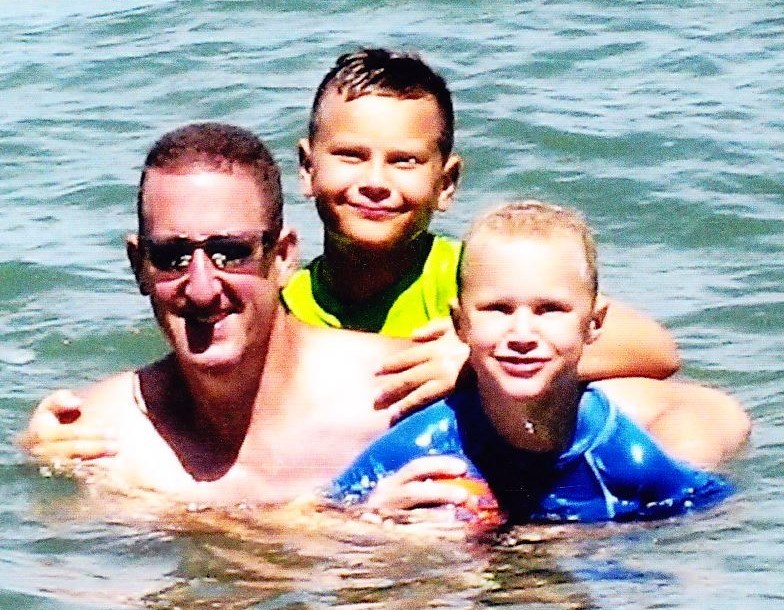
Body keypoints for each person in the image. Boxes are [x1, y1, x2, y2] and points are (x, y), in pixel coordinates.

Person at [20, 124, 749, 510]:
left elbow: (705, 413)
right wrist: (38, 462)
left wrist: (580, 529)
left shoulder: (396, 388)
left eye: (232, 252)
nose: (203, 286)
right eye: (173, 255)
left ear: (282, 256)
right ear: (138, 265)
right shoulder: (96, 436)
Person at [284, 48, 682, 418]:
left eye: (404, 161)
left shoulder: (477, 274)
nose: (375, 182)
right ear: (307, 168)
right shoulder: (284, 303)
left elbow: (654, 349)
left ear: (446, 184)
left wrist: (477, 357)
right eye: (351, 156)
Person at [329, 202, 735, 523]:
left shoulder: (623, 456)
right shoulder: (423, 446)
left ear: (594, 324)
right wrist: (373, 520)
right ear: (460, 324)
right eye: (498, 309)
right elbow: (320, 520)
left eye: (549, 310)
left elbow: (708, 514)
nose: (522, 334)